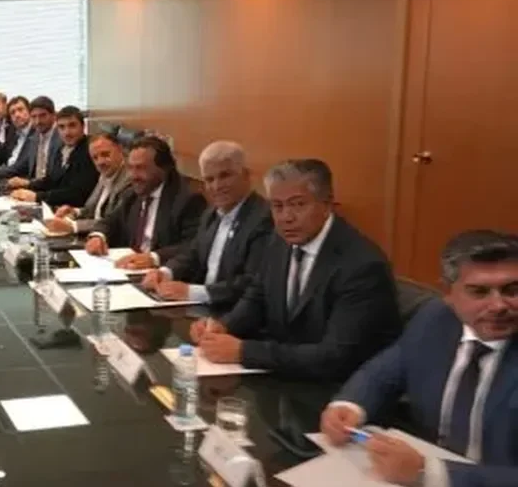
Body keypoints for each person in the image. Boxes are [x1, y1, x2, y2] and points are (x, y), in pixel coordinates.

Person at [320, 230, 518, 487]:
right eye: (479, 292)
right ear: (449, 294)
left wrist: (432, 473)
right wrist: (350, 405)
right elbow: (385, 370)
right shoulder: (434, 319)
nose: (498, 306)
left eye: (512, 290)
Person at [191, 159, 400, 379]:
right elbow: (257, 297)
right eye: (277, 206)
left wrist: (244, 352)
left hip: (340, 387)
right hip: (288, 375)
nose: (286, 218)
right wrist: (223, 327)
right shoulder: (278, 241)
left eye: (298, 205)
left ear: (327, 205)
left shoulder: (362, 266)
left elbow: (336, 356)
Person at [140, 141, 272, 314]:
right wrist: (166, 272)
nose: (217, 186)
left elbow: (251, 282)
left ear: (246, 175)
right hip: (200, 310)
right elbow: (193, 254)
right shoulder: (211, 214)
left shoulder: (263, 218)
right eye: (209, 179)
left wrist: (193, 292)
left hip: (236, 314)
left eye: (225, 176)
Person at [85, 135, 206, 269]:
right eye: (130, 168)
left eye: (141, 168)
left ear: (164, 169)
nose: (133, 176)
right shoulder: (132, 194)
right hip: (129, 268)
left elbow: (192, 245)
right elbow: (110, 221)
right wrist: (98, 236)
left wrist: (154, 258)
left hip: (162, 273)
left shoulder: (188, 200)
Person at [44, 131, 130, 235]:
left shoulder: (128, 180)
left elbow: (112, 224)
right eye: (95, 158)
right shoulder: (105, 173)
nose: (100, 162)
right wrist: (75, 211)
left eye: (105, 154)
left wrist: (73, 226)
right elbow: (90, 209)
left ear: (120, 149)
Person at [10, 106, 98, 208]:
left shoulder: (89, 151)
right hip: (58, 205)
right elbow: (52, 180)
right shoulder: (62, 148)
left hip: (74, 210)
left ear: (83, 127)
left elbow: (77, 194)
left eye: (72, 126)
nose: (67, 132)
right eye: (61, 127)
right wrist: (28, 185)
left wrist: (37, 197)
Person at [2, 96, 58, 189]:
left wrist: (28, 184)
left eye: (42, 116)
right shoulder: (35, 137)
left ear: (54, 115)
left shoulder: (61, 138)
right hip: (33, 188)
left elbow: (55, 178)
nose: (38, 121)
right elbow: (21, 166)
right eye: (34, 117)